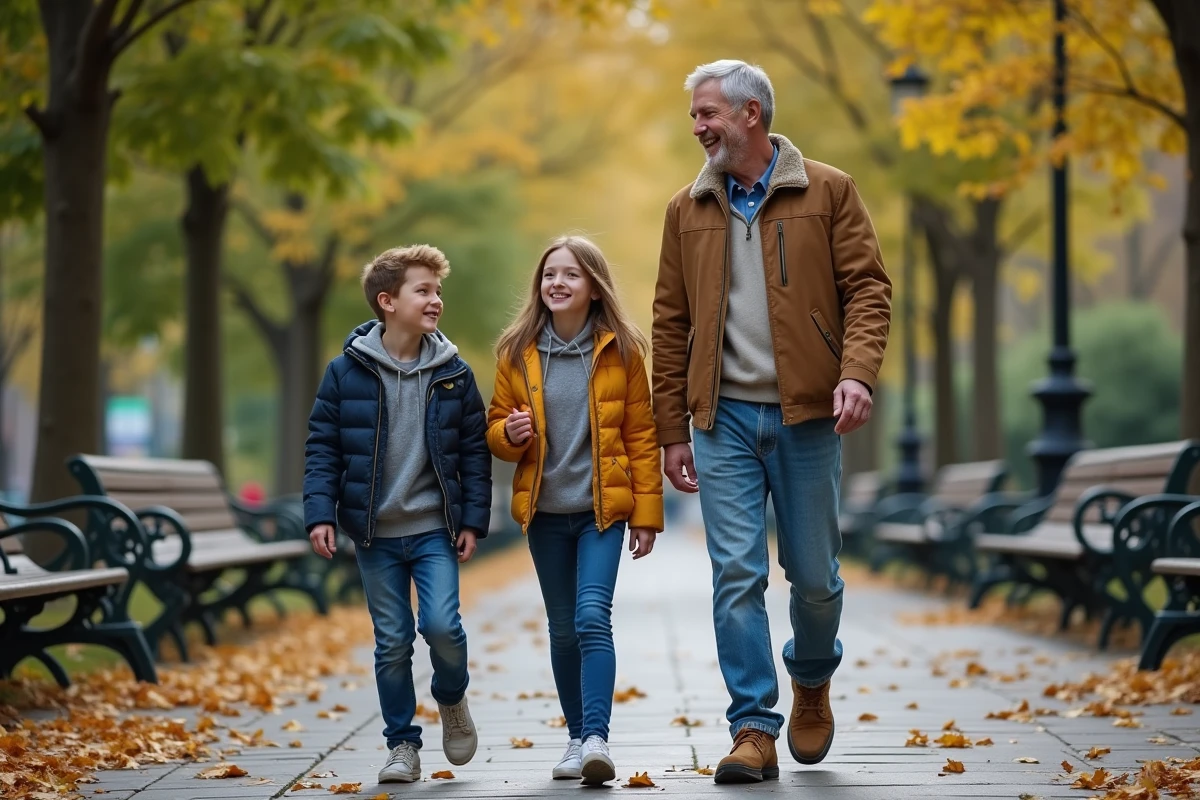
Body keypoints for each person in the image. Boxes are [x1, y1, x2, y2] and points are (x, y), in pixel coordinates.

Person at [652, 60, 892, 783]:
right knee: (735, 574)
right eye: (694, 115)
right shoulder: (685, 209)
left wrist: (855, 371)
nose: (697, 126)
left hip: (807, 416)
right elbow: (669, 322)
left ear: (750, 114)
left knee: (814, 579)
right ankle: (753, 727)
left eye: (707, 114)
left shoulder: (828, 189)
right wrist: (672, 428)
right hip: (721, 419)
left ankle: (811, 679)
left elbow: (867, 288)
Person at [303, 244, 492, 784]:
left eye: (437, 291)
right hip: (374, 534)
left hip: (434, 528)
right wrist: (319, 513)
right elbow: (323, 448)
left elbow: (474, 452)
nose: (436, 300)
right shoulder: (345, 373)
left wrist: (473, 520)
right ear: (388, 301)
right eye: (423, 290)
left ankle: (451, 698)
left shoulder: (454, 373)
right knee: (392, 641)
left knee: (442, 627)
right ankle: (402, 746)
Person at [487, 235, 664, 786]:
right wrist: (510, 435)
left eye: (570, 274)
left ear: (594, 287)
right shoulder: (516, 352)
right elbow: (494, 428)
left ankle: (596, 739)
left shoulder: (623, 351)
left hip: (600, 513)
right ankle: (573, 739)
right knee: (563, 630)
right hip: (544, 514)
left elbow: (641, 434)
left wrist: (647, 515)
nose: (557, 283)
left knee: (592, 617)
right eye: (549, 275)